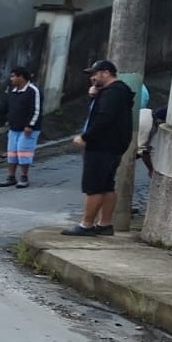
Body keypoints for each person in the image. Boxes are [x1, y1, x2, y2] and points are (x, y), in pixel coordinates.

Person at [62, 59, 135, 236]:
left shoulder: (111, 94)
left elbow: (104, 118)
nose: (92, 78)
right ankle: (105, 224)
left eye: (95, 74)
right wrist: (95, 95)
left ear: (106, 73)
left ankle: (87, 225)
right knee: (107, 185)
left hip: (101, 145)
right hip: (113, 146)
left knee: (94, 186)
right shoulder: (118, 91)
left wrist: (86, 137)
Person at [0, 65, 42, 188]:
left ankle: (24, 177)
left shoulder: (32, 91)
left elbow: (36, 110)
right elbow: (5, 108)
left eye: (13, 76)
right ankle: (11, 177)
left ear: (21, 77)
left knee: (24, 153)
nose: (11, 79)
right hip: (14, 128)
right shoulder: (13, 92)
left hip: (28, 130)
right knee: (12, 153)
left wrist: (30, 125)